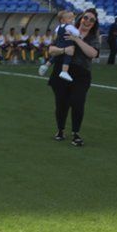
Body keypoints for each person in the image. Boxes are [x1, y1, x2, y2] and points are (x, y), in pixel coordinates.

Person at [48, 9, 100, 146]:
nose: (88, 21)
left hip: (82, 74)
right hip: (62, 70)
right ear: (81, 18)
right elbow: (51, 49)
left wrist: (76, 39)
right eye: (86, 18)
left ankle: (76, 133)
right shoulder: (66, 29)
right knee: (61, 103)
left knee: (78, 102)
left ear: (94, 23)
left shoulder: (93, 38)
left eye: (92, 20)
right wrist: (64, 50)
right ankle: (60, 130)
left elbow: (93, 53)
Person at [39, 10, 79, 81]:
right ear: (63, 20)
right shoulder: (69, 27)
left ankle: (46, 66)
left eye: (73, 17)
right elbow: (77, 33)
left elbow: (57, 34)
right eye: (70, 18)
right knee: (67, 57)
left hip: (59, 44)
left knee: (56, 57)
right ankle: (64, 71)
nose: (72, 19)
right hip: (67, 45)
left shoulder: (59, 27)